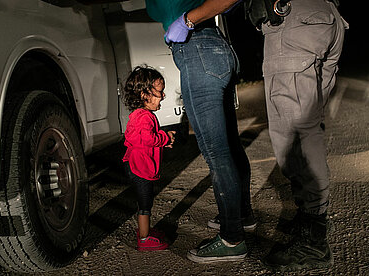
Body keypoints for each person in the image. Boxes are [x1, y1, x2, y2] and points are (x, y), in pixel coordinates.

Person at [166, 0, 348, 271]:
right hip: (325, 16)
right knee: (309, 128)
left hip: (295, 20)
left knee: (294, 136)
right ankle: (310, 219)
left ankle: (313, 240)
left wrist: (188, 20)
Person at [145, 0, 256, 263]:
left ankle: (232, 239)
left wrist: (187, 21)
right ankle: (241, 215)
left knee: (216, 151)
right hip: (216, 48)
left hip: (197, 51)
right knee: (229, 143)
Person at [122, 65, 176, 251]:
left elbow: (142, 138)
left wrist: (162, 140)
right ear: (144, 95)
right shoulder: (143, 117)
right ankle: (144, 239)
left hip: (137, 165)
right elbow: (146, 139)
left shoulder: (140, 115)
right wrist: (165, 137)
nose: (162, 96)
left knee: (145, 202)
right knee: (145, 204)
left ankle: (145, 231)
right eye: (159, 92)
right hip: (140, 168)